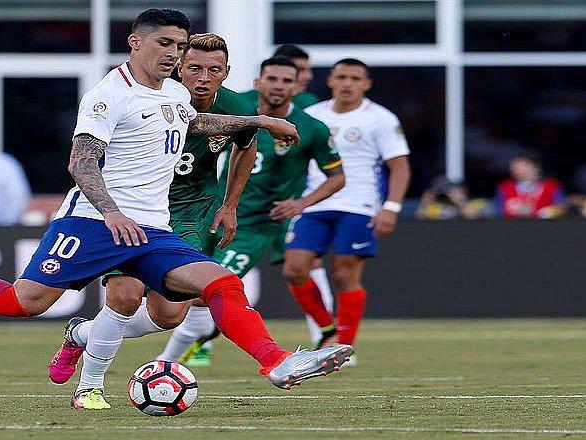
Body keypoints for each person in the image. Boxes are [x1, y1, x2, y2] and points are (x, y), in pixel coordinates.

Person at [0, 7, 352, 407]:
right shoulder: (108, 94)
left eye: (180, 45)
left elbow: (192, 122)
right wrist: (112, 212)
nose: (174, 53)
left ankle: (276, 361)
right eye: (165, 43)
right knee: (24, 303)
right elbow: (81, 163)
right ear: (135, 42)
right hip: (93, 223)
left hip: (153, 229)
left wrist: (260, 121)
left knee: (218, 283)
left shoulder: (174, 92)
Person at [48, 32, 261, 409]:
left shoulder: (236, 108)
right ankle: (90, 387)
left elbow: (247, 146)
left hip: (193, 213)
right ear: (180, 66)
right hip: (138, 210)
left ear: (226, 73)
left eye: (213, 69)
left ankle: (81, 334)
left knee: (168, 315)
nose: (202, 77)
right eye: (193, 67)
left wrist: (230, 206)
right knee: (125, 295)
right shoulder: (159, 95)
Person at [156, 56, 346, 367]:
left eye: (287, 81)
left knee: (208, 290)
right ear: (258, 82)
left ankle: (169, 361)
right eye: (272, 79)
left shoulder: (311, 128)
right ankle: (190, 347)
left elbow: (338, 177)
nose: (278, 86)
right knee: (183, 295)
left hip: (256, 226)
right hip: (209, 213)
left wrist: (301, 204)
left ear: (298, 86)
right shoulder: (238, 107)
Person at [282, 59, 411, 367]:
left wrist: (391, 208)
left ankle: (344, 346)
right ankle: (328, 332)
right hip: (315, 202)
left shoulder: (379, 118)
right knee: (294, 268)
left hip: (359, 203)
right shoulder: (312, 115)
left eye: (355, 78)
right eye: (341, 77)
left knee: (344, 273)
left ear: (366, 84)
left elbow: (399, 166)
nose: (347, 83)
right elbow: (294, 159)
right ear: (330, 81)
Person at [241, 44, 320, 109]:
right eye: (300, 70)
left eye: (287, 80)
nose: (308, 76)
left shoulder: (310, 102)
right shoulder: (241, 101)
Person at [495, 152, 565, 218]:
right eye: (515, 167)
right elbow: (497, 210)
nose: (518, 170)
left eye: (524, 166)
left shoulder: (551, 186)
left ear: (536, 168)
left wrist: (537, 212)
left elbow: (561, 208)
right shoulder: (505, 187)